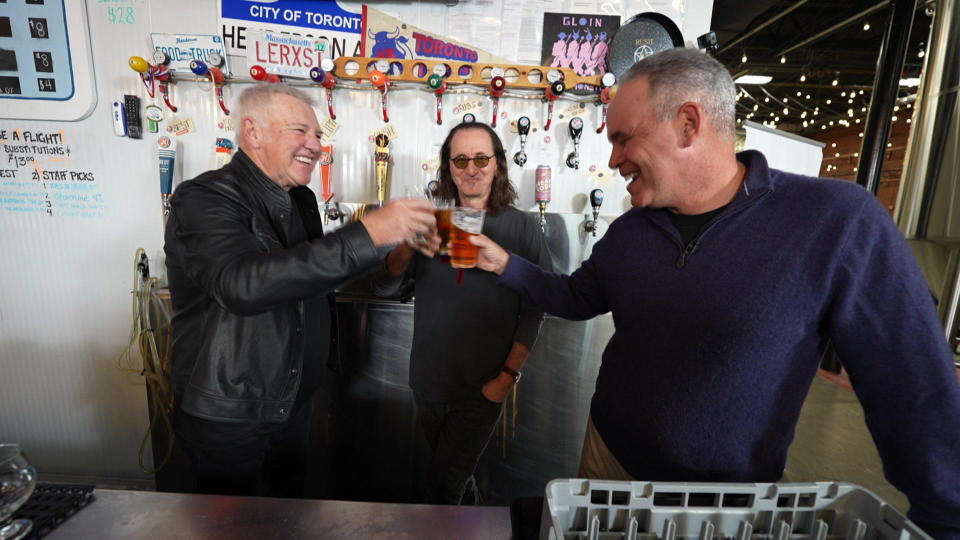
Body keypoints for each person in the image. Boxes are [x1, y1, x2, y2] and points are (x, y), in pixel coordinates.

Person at [469, 48, 960, 537]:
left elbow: (911, 385)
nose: (614, 159)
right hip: (608, 465)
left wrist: (945, 516)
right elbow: (576, 298)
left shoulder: (834, 221)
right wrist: (504, 263)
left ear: (687, 124)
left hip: (728, 505)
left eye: (622, 139)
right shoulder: (631, 232)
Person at [164, 84, 437, 497]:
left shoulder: (301, 200)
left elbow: (308, 274)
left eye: (318, 136)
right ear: (253, 133)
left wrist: (391, 245)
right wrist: (366, 233)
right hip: (232, 414)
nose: (315, 145)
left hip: (291, 402)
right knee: (228, 529)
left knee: (286, 518)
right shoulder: (205, 197)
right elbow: (243, 285)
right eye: (300, 132)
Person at [375, 122, 551, 505]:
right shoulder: (431, 223)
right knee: (454, 480)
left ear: (497, 165)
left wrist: (506, 377)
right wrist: (405, 246)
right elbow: (384, 286)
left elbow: (538, 306)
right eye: (460, 159)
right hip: (427, 382)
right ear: (448, 168)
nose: (471, 168)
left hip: (483, 388)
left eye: (481, 158)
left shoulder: (522, 227)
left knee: (441, 488)